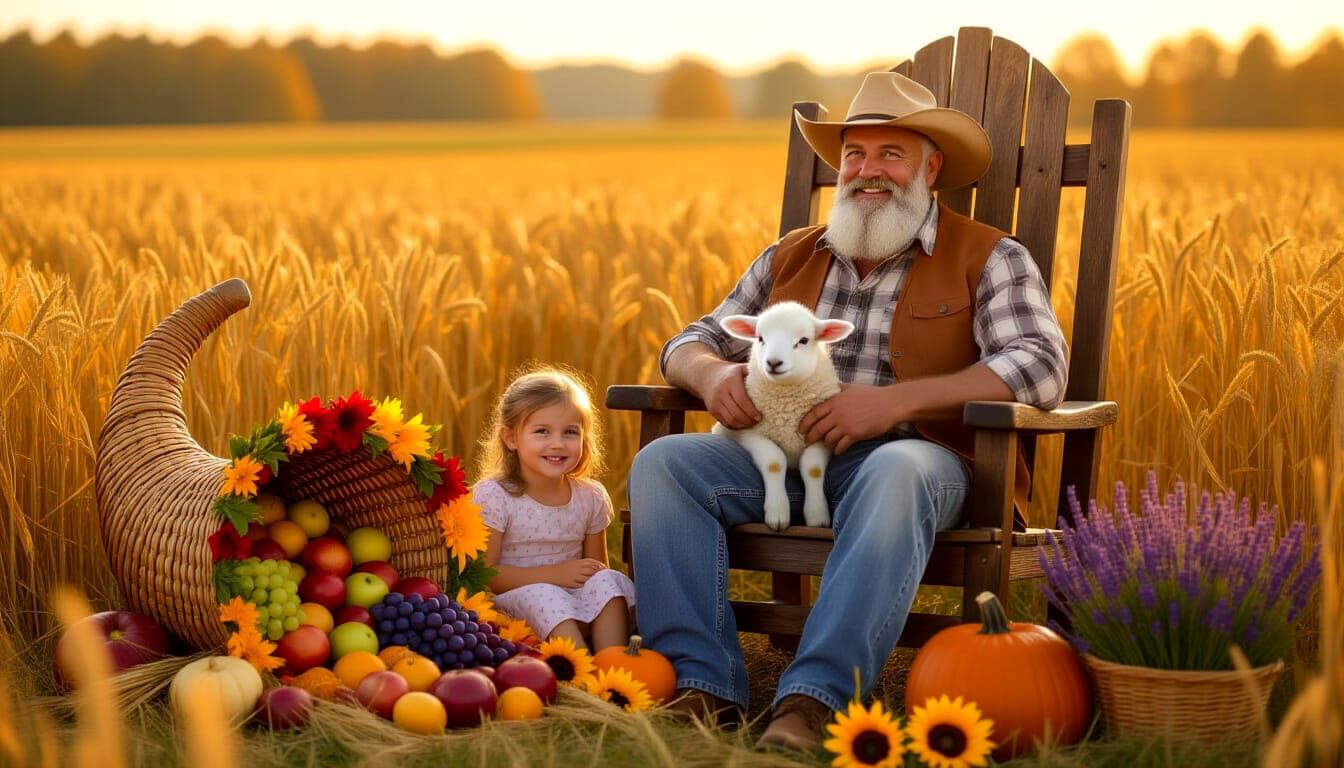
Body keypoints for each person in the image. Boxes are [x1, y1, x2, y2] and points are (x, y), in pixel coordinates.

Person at [627, 71, 1069, 751]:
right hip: (788, 459)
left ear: (931, 167)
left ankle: (813, 698)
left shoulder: (990, 256)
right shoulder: (792, 255)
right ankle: (703, 684)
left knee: (895, 468)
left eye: (892, 154)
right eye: (855, 155)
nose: (869, 171)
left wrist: (893, 402)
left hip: (923, 460)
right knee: (666, 462)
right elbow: (691, 340)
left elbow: (1040, 364)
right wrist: (711, 374)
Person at [474, 367, 635, 652]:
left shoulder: (589, 496)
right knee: (546, 595)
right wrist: (555, 574)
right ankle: (578, 675)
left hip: (571, 599)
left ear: (585, 438)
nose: (558, 443)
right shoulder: (496, 496)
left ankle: (613, 664)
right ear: (511, 438)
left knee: (609, 581)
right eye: (542, 431)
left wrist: (577, 582)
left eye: (570, 432)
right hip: (516, 603)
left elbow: (595, 570)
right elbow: (486, 575)